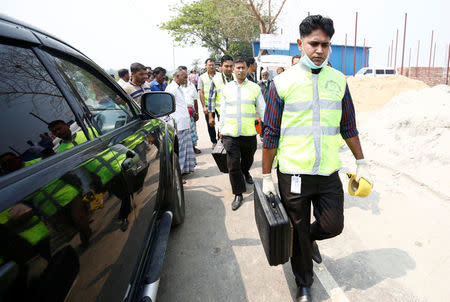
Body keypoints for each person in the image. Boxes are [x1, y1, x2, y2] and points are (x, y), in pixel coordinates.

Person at [262, 15, 372, 302]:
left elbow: (348, 126)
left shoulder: (339, 81)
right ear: (300, 44)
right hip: (293, 173)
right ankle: (304, 284)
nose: (319, 50)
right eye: (313, 44)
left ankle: (306, 239)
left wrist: (361, 161)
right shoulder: (282, 83)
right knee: (297, 225)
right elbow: (271, 133)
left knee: (333, 225)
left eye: (325, 44)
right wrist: (265, 177)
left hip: (327, 173)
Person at [219, 57, 265, 211]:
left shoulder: (255, 88)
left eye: (242, 68)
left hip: (248, 133)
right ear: (233, 70)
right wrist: (221, 129)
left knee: (248, 159)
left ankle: (246, 171)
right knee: (233, 164)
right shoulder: (226, 89)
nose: (240, 70)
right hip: (230, 134)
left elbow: (263, 109)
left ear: (247, 69)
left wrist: (269, 127)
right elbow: (223, 111)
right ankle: (238, 193)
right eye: (237, 68)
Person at [166, 67, 196, 177]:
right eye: (184, 77)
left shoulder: (178, 88)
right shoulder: (171, 89)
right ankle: (179, 173)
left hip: (184, 123)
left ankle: (185, 170)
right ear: (177, 77)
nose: (186, 79)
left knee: (185, 149)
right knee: (180, 151)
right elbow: (168, 108)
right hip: (178, 125)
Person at [179, 66, 201, 154]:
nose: (185, 76)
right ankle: (185, 150)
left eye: (186, 74)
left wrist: (197, 112)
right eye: (183, 75)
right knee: (183, 132)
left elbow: (195, 100)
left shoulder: (191, 85)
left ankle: (193, 147)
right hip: (181, 114)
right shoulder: (176, 86)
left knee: (193, 131)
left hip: (191, 112)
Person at [208, 54, 234, 129]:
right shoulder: (216, 79)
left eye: (231, 66)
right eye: (226, 66)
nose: (229, 69)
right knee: (224, 134)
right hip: (222, 114)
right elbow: (211, 99)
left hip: (236, 113)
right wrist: (210, 117)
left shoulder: (236, 78)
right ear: (221, 66)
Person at [198, 58, 218, 148]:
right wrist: (203, 106)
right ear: (206, 66)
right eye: (209, 65)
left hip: (219, 104)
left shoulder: (220, 76)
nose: (211, 66)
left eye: (213, 65)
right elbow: (201, 92)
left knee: (223, 121)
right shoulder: (202, 77)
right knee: (210, 124)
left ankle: (222, 139)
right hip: (208, 105)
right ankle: (214, 141)